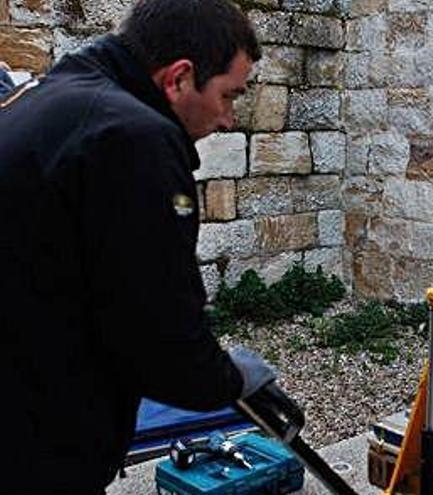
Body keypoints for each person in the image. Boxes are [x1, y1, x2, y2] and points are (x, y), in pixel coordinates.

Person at [0, 1, 276, 492]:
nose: (230, 120)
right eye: (228, 96)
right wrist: (229, 378)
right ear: (179, 78)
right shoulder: (133, 139)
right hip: (36, 441)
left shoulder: (52, 96)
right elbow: (161, 332)